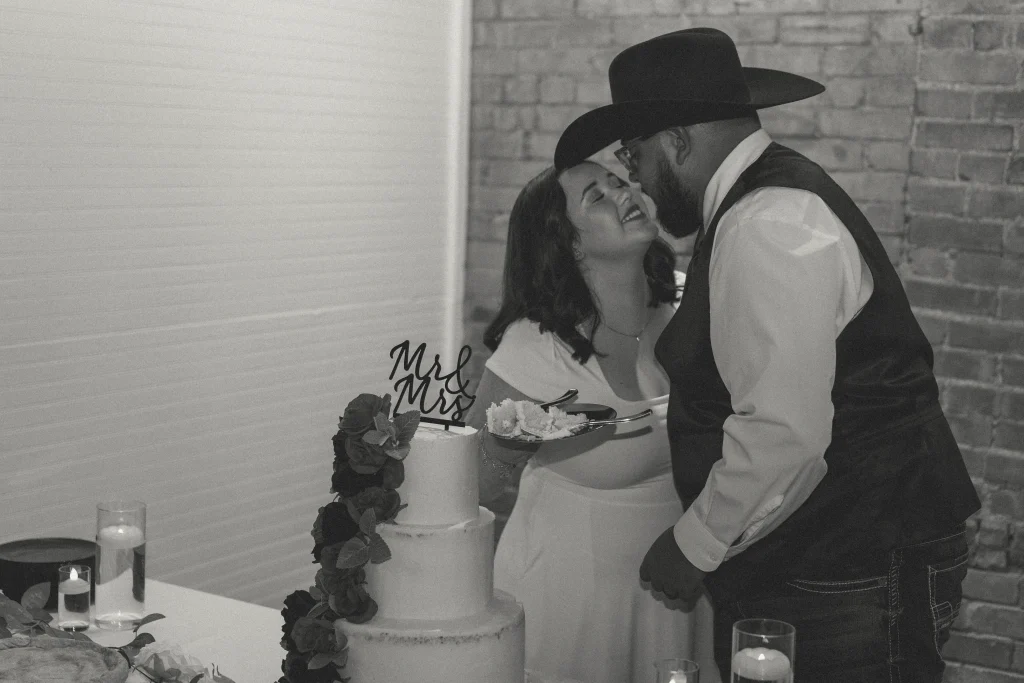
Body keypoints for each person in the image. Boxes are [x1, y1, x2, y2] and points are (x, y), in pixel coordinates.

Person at [553, 28, 981, 682]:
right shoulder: (754, 206)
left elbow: (785, 431)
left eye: (633, 155)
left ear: (677, 141)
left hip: (856, 566)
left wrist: (692, 545)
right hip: (838, 556)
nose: (633, 177)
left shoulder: (767, 221)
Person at [464, 161, 720, 683]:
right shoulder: (536, 344)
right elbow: (473, 483)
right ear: (571, 244)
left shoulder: (688, 306)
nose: (624, 193)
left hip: (680, 586)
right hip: (571, 599)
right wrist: (521, 434)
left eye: (620, 182)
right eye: (596, 197)